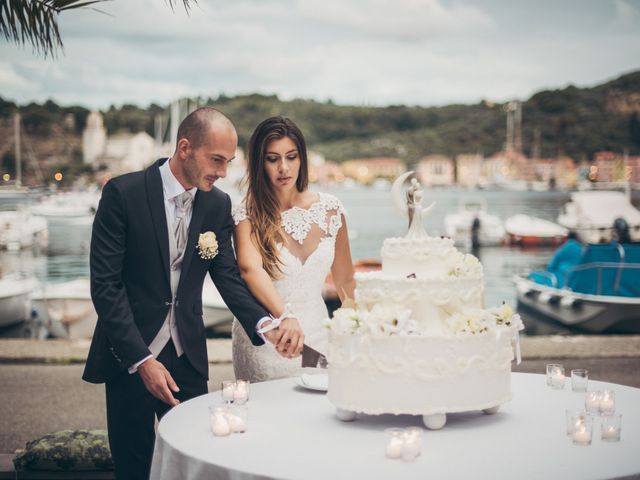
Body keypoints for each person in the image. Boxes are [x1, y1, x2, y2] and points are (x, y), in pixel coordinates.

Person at [82, 108, 297, 479]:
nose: (223, 172)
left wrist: (266, 324)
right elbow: (105, 287)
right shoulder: (123, 193)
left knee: (195, 461)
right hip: (129, 356)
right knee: (134, 466)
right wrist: (141, 360)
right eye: (216, 160)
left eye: (228, 162)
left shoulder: (216, 203)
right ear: (185, 148)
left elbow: (227, 276)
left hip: (187, 359)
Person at [231, 116, 356, 382]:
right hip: (270, 339)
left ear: (302, 159)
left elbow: (345, 279)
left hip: (318, 335)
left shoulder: (331, 209)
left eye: (291, 157)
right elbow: (249, 269)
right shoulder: (247, 214)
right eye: (272, 159)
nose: (284, 168)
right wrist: (284, 317)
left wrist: (355, 330)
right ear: (258, 162)